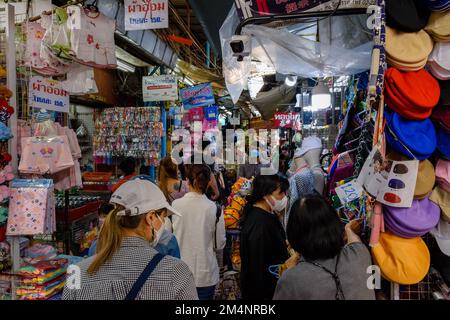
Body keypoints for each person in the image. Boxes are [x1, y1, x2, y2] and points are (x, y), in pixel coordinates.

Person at [63, 179, 197, 300]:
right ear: (150, 217)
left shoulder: (77, 273)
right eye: (162, 217)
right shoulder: (176, 272)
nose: (163, 223)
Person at [273, 194, 376, 300]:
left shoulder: (291, 280)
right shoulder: (360, 253)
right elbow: (354, 240)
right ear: (335, 222)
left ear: (293, 232)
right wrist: (348, 229)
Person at [172, 164, 226, 300]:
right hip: (206, 274)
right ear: (208, 183)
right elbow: (219, 244)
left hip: (179, 273)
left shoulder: (175, 206)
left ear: (188, 181)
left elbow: (167, 239)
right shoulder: (215, 209)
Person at [240, 174, 298, 300]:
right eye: (280, 193)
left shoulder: (267, 214)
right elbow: (258, 268)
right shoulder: (259, 224)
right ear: (265, 194)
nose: (284, 197)